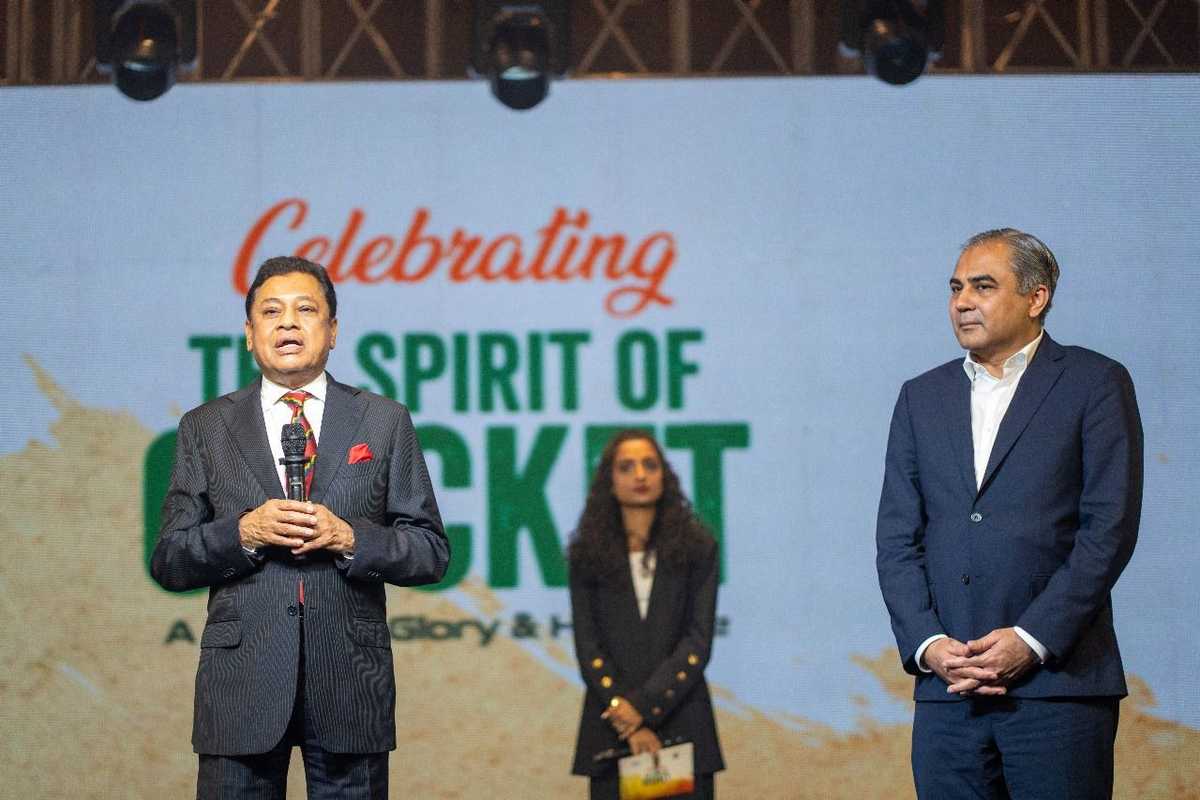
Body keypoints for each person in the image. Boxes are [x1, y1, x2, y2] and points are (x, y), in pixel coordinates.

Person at [151, 256, 449, 799]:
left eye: (306, 310)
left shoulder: (383, 420)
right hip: (242, 683)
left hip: (349, 681)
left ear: (333, 331)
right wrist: (245, 532)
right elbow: (170, 558)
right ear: (249, 334)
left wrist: (351, 538)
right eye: (271, 311)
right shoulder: (206, 426)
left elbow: (430, 550)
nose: (288, 323)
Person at [875, 229, 1143, 799]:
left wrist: (1032, 637)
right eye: (955, 288)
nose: (962, 301)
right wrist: (928, 644)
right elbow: (898, 540)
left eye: (983, 285)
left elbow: (1108, 530)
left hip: (1058, 687)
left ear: (1036, 297)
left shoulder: (1095, 383)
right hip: (948, 693)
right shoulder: (920, 397)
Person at [567, 430, 725, 799]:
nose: (640, 475)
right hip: (612, 730)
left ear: (664, 476)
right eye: (626, 467)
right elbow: (589, 646)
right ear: (609, 480)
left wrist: (642, 709)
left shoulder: (699, 548)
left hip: (682, 724)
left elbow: (697, 641)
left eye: (649, 465)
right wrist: (629, 719)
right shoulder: (587, 555)